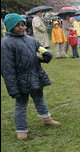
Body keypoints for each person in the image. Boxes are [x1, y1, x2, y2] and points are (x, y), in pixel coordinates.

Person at [1, 13, 61, 141]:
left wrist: (47, 55)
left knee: (39, 98)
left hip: (35, 75)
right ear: (11, 27)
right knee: (21, 104)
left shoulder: (31, 40)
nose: (21, 28)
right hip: (20, 79)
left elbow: (40, 52)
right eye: (17, 26)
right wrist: (13, 88)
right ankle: (21, 129)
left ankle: (47, 118)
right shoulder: (6, 44)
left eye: (23, 25)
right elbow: (7, 69)